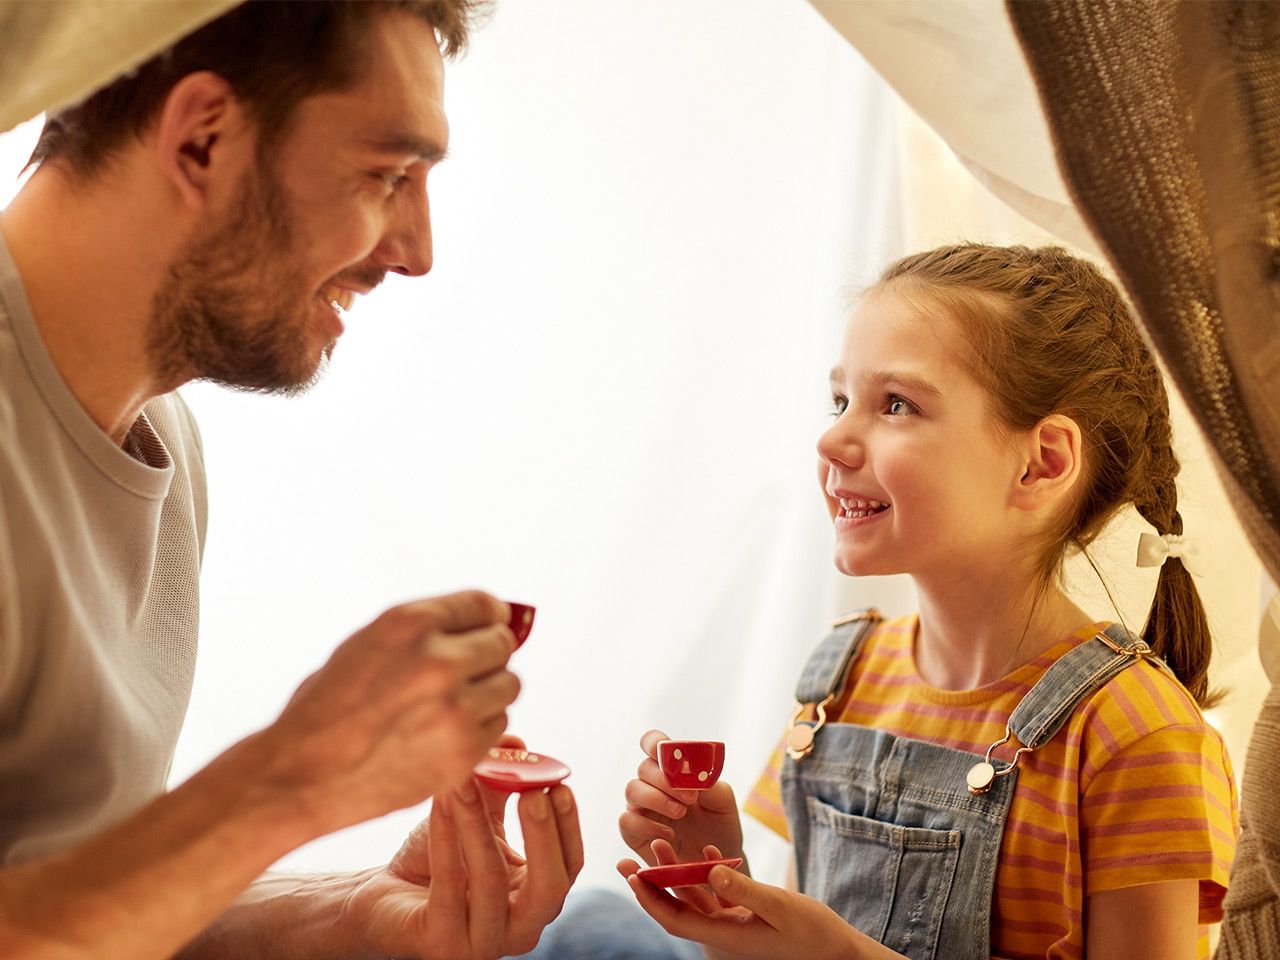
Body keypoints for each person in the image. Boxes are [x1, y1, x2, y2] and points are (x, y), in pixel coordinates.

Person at [0, 2, 582, 958]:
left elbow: (73, 905)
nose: (416, 252)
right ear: (204, 139)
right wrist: (288, 781)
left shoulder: (163, 442)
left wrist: (349, 911)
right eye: (386, 175)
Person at [595, 244, 1237, 960]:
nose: (833, 438)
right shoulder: (843, 676)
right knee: (592, 925)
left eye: (896, 404)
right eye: (840, 400)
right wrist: (724, 882)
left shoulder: (1135, 734)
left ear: (1042, 463)